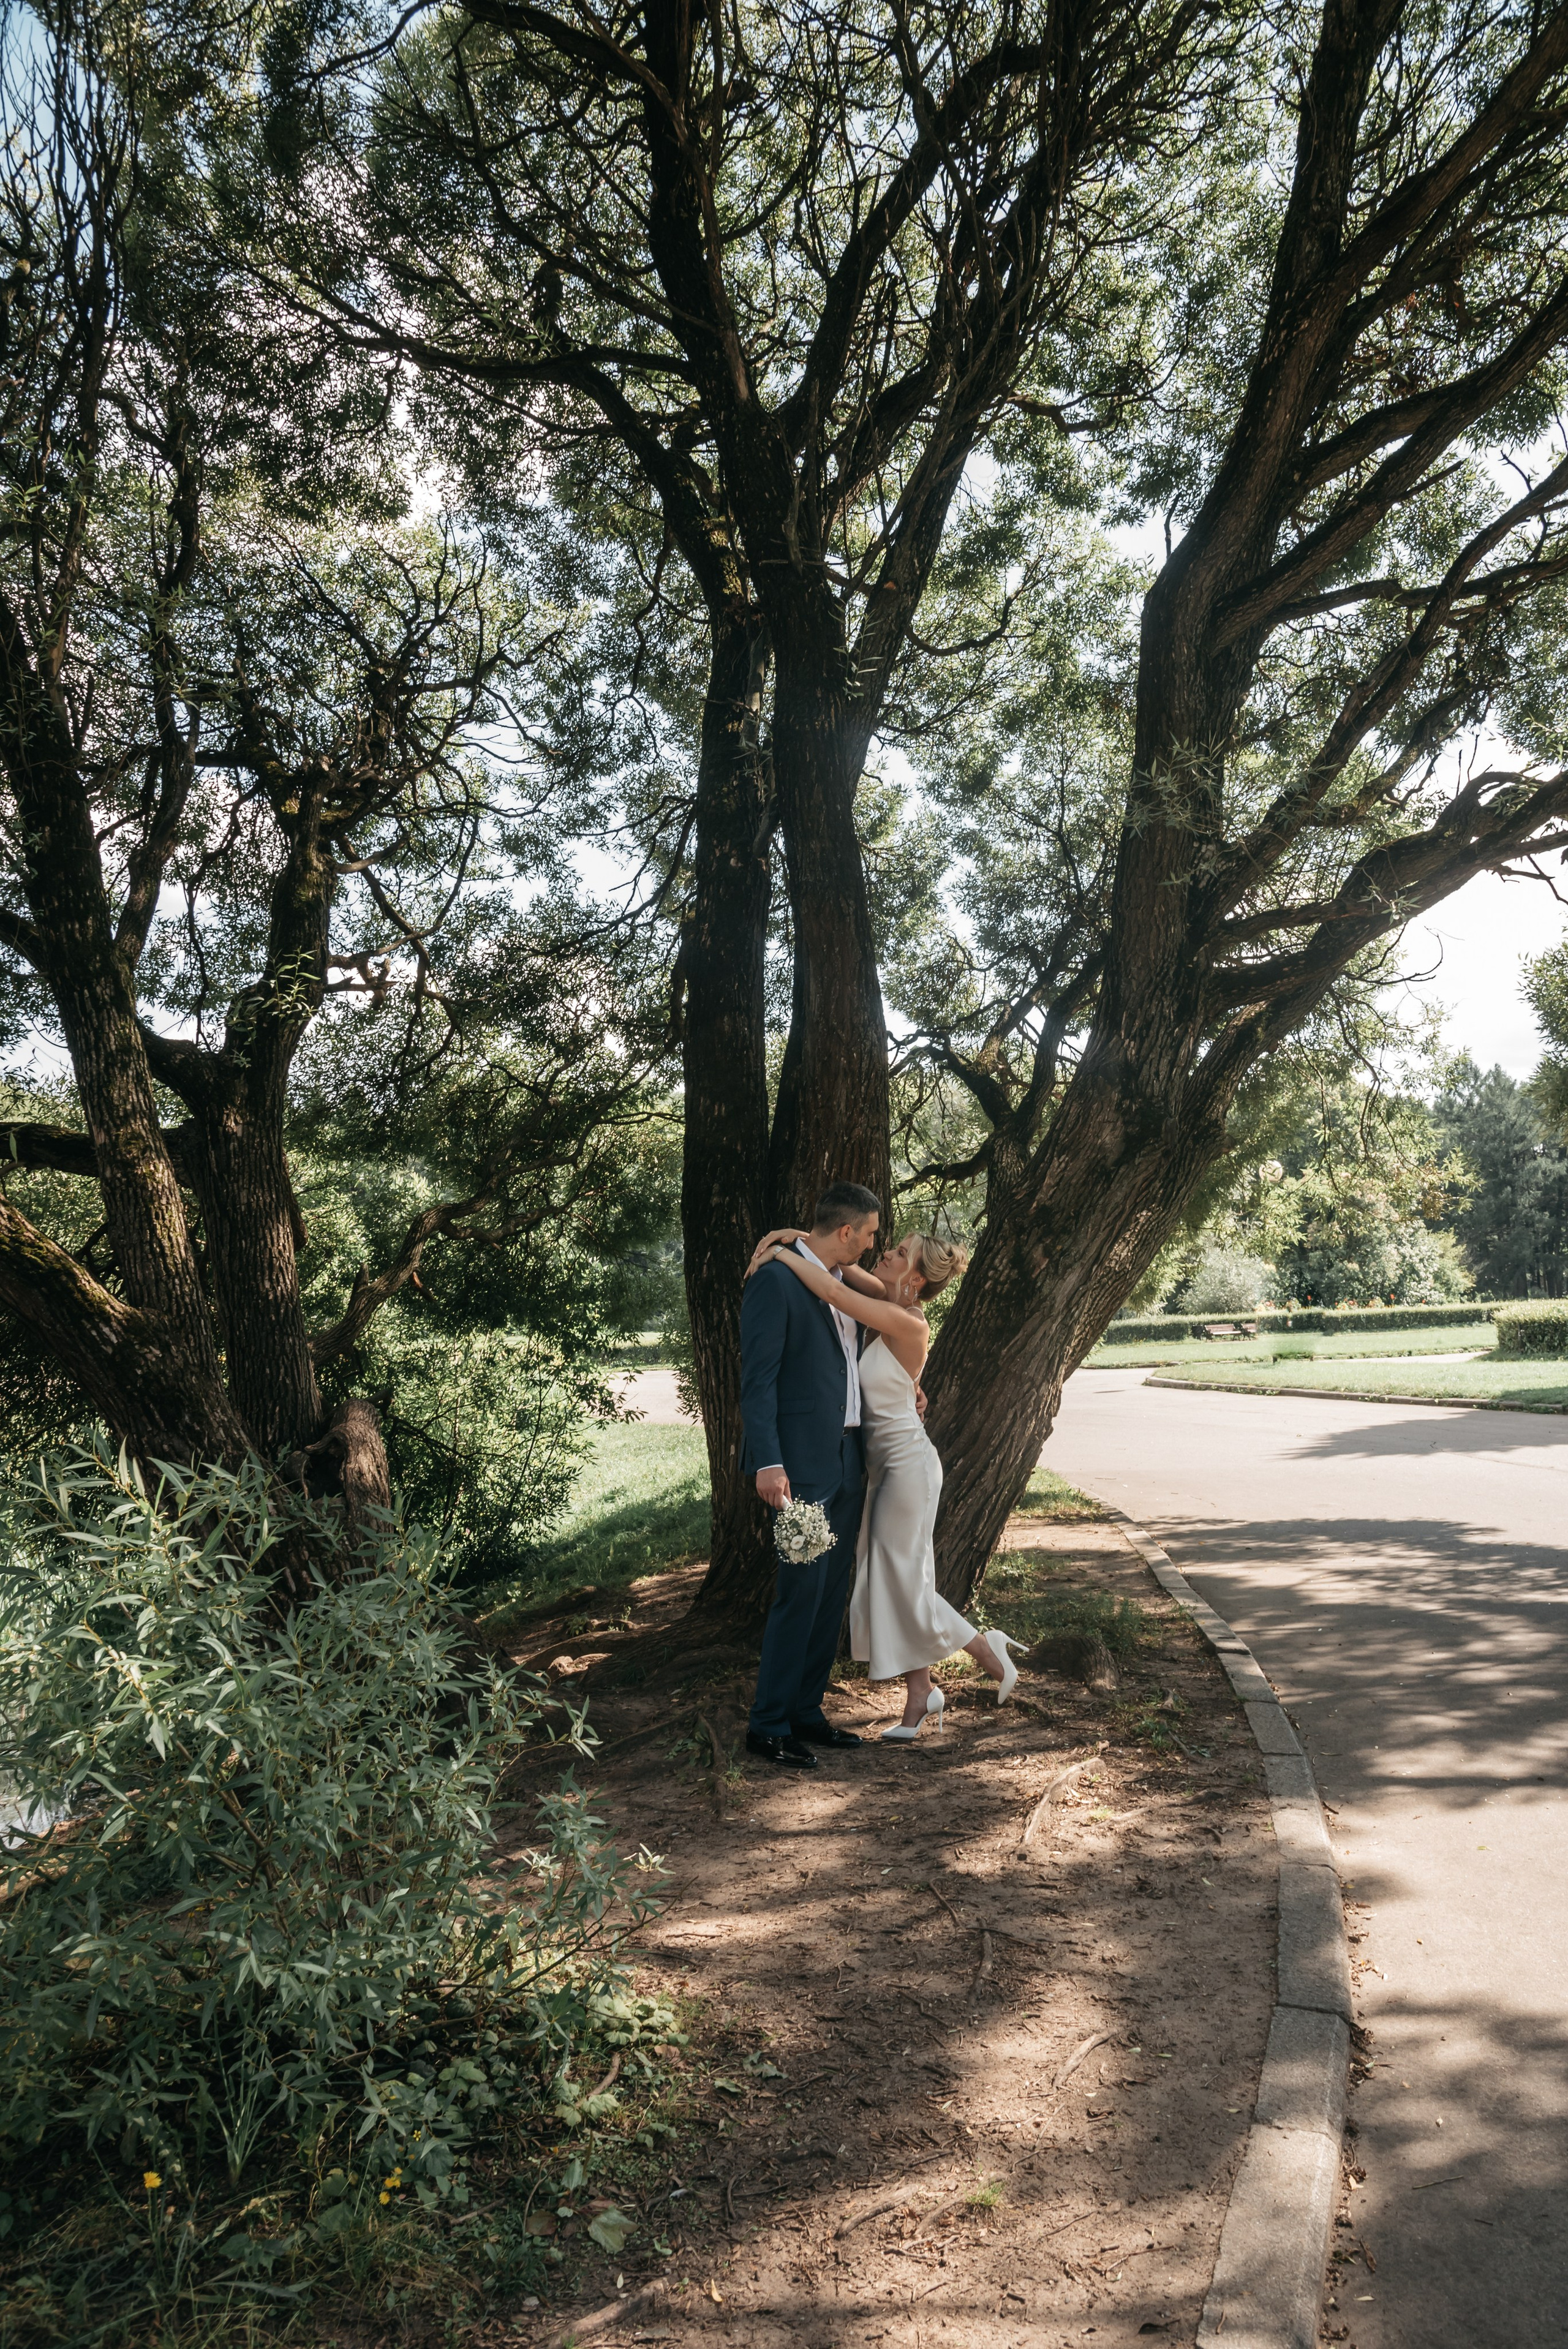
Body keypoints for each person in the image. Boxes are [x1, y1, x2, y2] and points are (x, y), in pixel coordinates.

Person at [745, 1226, 1022, 1741]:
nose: (884, 1252)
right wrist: (802, 1237)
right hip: (882, 1470)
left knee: (903, 1579)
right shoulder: (883, 1296)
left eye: (896, 1253)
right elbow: (834, 1263)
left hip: (908, 1469)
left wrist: (780, 1254)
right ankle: (923, 1692)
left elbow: (829, 1288)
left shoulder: (905, 1320)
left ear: (915, 1278)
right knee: (888, 1577)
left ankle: (987, 1651)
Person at [739, 1182, 884, 1770]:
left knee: (829, 1594)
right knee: (799, 1590)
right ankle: (767, 1724)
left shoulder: (841, 1281)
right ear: (846, 1231)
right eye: (870, 1234)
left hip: (849, 1458)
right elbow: (757, 1380)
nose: (875, 1244)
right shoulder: (775, 1280)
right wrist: (767, 1461)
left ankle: (806, 1712)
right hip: (797, 1467)